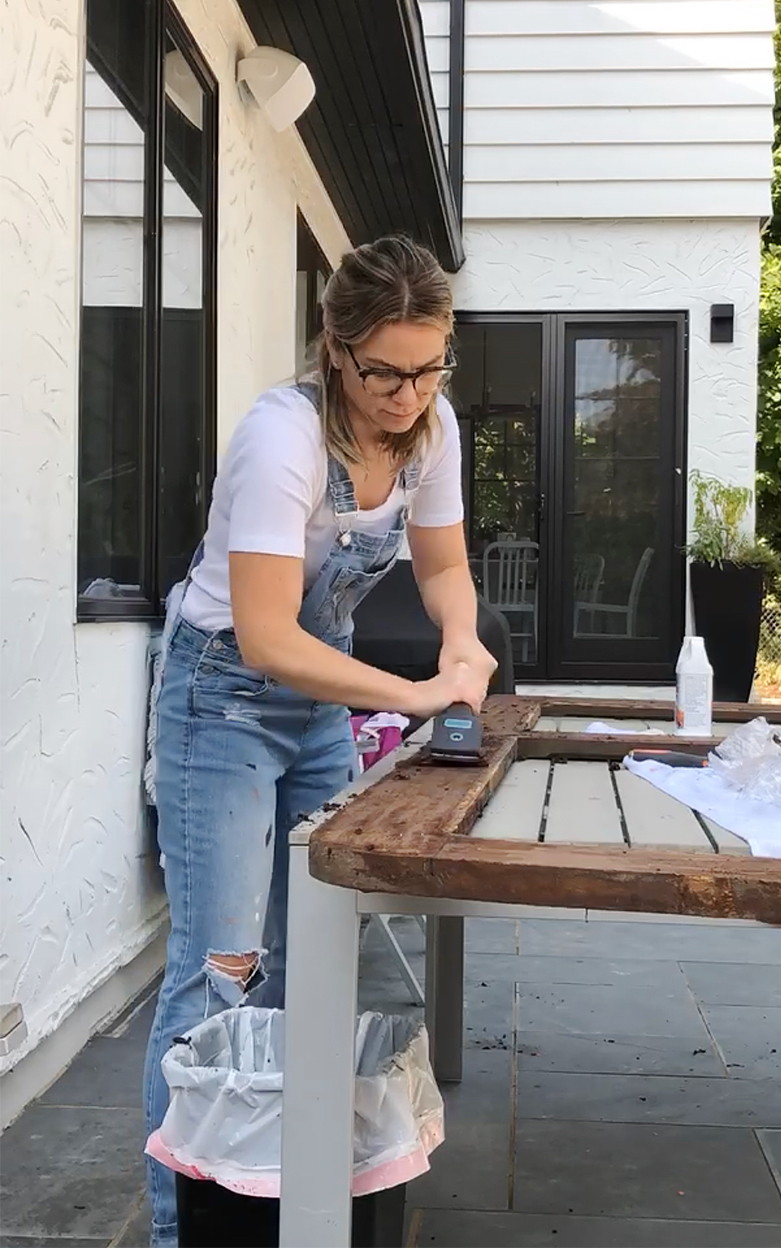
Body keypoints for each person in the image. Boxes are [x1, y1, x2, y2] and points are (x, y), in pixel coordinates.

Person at [142, 235, 496, 1246]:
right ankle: (181, 1228)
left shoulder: (431, 432)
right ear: (337, 352)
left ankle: (285, 1204)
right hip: (223, 700)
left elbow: (440, 568)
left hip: (316, 704)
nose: (406, 392)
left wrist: (464, 644)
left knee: (318, 959)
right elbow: (263, 633)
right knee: (220, 973)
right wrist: (414, 692)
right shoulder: (281, 437)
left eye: (429, 368)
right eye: (385, 370)